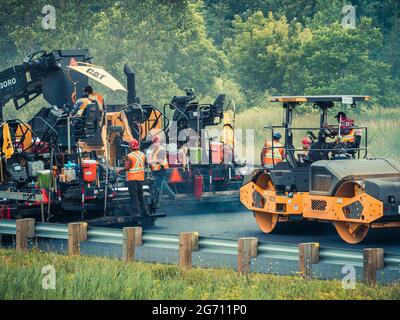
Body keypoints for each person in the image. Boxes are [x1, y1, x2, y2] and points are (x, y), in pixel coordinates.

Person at [117, 139, 148, 217]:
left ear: (130, 147)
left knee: (134, 196)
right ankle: (145, 212)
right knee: (140, 195)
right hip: (140, 178)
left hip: (132, 179)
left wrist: (120, 170)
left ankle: (136, 213)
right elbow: (144, 164)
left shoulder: (129, 156)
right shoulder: (142, 154)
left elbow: (127, 167)